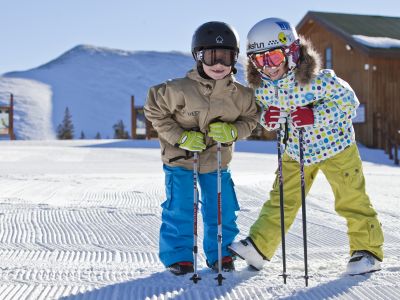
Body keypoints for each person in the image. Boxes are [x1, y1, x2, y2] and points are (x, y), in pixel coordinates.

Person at [228, 17, 384, 275]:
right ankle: (259, 246)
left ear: (291, 52)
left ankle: (367, 251)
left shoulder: (321, 80)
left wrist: (315, 115)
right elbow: (265, 115)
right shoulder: (263, 90)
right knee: (281, 200)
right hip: (295, 152)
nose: (268, 67)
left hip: (337, 148)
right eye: (260, 60)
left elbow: (349, 103)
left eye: (274, 58)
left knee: (351, 199)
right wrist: (268, 119)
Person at [144, 21, 258, 275]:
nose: (218, 63)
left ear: (234, 58)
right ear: (198, 56)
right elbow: (154, 110)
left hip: (217, 160)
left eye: (225, 57)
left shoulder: (241, 95)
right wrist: (181, 137)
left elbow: (251, 119)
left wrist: (234, 131)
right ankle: (179, 256)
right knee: (181, 205)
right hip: (181, 159)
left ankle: (222, 253)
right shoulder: (177, 89)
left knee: (222, 207)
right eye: (211, 56)